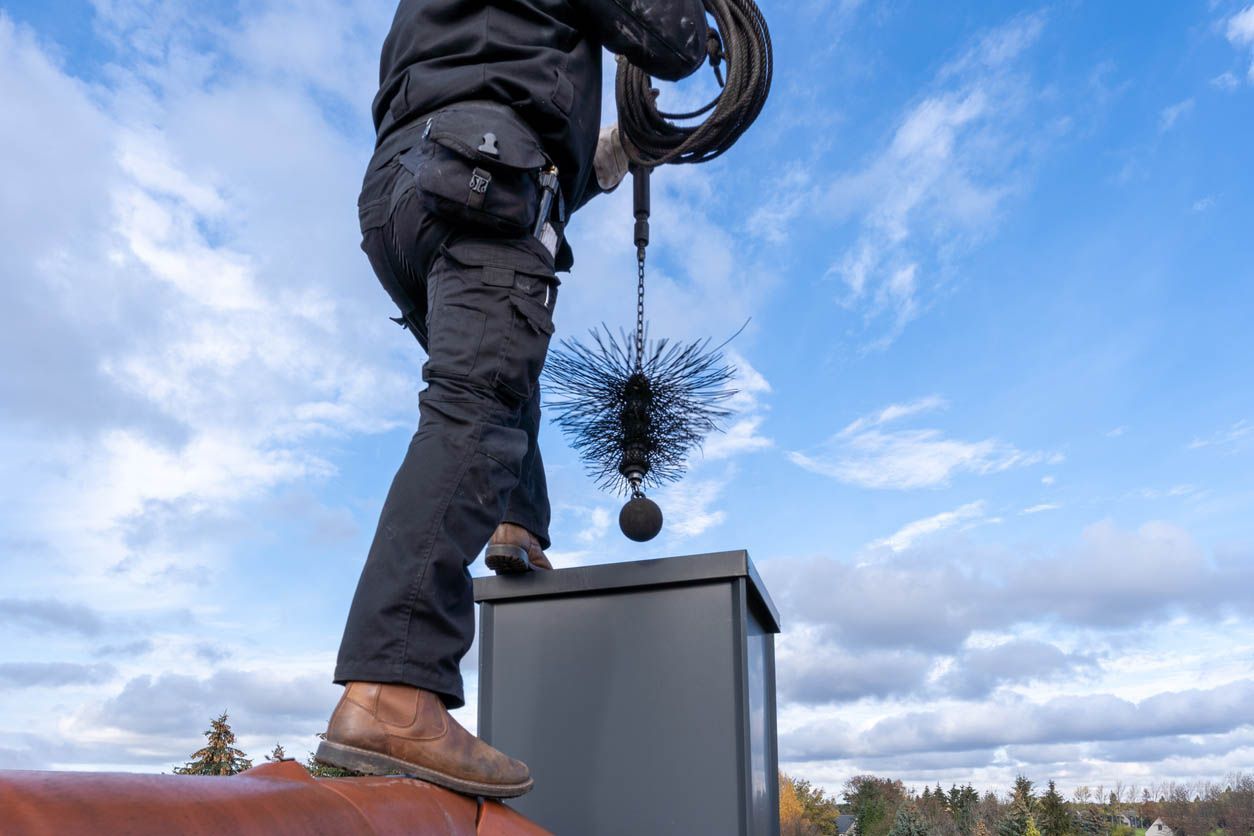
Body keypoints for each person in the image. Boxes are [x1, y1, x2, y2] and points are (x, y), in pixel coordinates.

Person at [316, 0, 708, 798]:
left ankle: (516, 523)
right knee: (478, 406)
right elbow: (671, 39)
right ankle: (393, 690)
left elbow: (493, 86)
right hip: (478, 174)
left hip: (405, 191)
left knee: (495, 373)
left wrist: (600, 159)